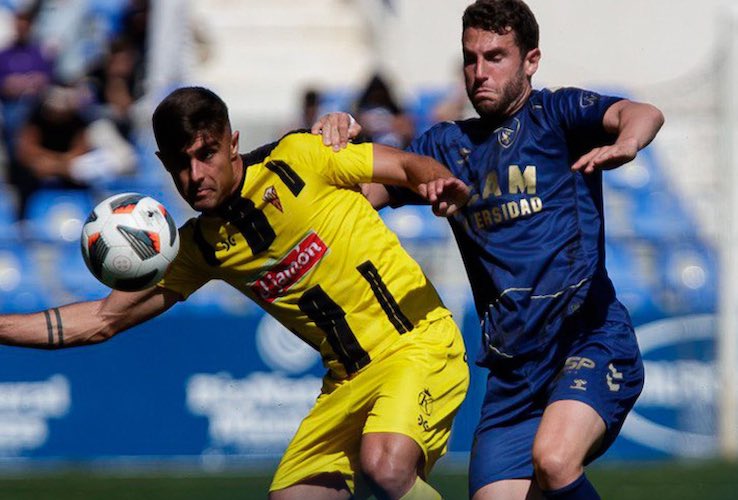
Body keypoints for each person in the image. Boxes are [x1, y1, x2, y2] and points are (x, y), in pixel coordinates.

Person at [0, 86, 470, 500]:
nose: (196, 174)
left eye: (206, 154)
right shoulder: (202, 247)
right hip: (347, 380)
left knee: (385, 468)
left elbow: (405, 164)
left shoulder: (301, 157)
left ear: (232, 144)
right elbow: (101, 320)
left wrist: (433, 179)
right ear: (164, 165)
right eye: (180, 163)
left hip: (417, 342)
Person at [312, 1, 665, 498]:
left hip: (586, 339)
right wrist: (336, 144)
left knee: (555, 460)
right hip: (512, 373)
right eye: (471, 59)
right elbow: (360, 198)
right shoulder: (444, 147)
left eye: (496, 57)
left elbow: (642, 112)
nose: (480, 72)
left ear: (531, 61)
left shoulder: (558, 116)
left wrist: (627, 142)